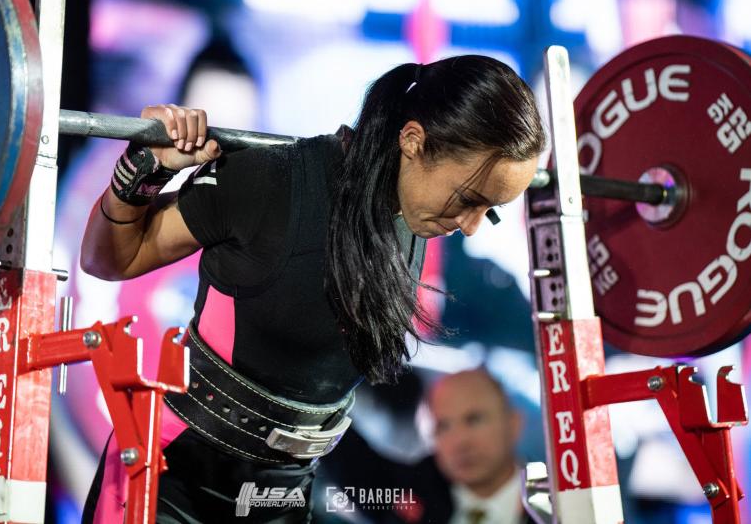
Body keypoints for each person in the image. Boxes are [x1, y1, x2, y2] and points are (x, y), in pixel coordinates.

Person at [79, 55, 545, 522]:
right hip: (172, 476)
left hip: (281, 496)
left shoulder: (418, 219)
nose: (471, 227)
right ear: (412, 140)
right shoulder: (272, 181)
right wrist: (146, 165)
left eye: (492, 211)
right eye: (469, 200)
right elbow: (108, 258)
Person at [320, 369, 529, 524]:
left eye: (474, 420)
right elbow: (348, 459)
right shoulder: (412, 491)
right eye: (443, 426)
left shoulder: (555, 502)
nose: (459, 441)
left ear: (514, 424)